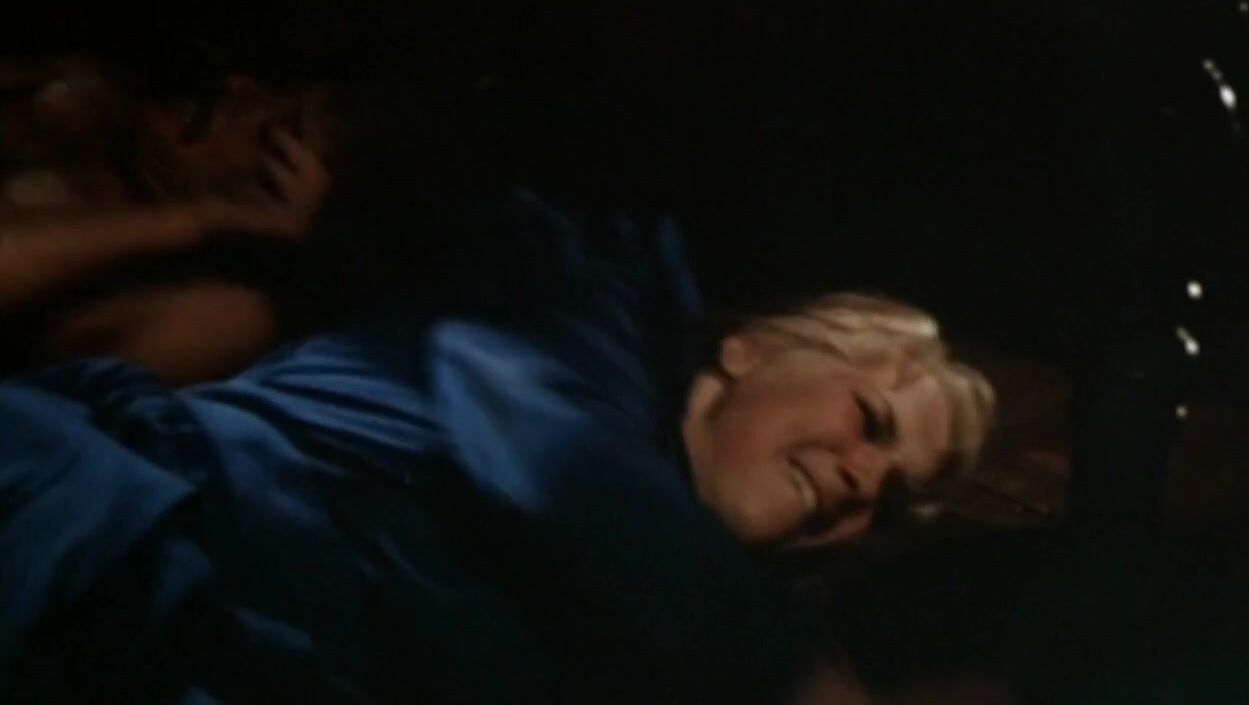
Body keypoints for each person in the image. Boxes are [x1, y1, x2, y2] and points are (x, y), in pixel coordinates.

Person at [0, 189, 992, 703]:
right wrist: (798, 682)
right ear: (754, 349)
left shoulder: (679, 650)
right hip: (87, 525)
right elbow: (541, 450)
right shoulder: (587, 287)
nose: (862, 477)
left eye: (890, 501)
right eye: (870, 421)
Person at [0, 54, 335, 383]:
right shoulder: (67, 106)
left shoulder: (213, 318)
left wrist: (202, 217)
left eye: (278, 130)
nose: (240, 97)